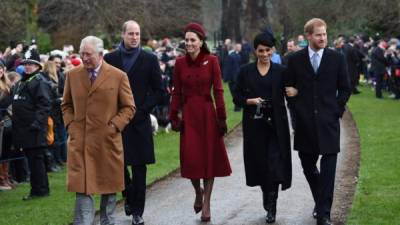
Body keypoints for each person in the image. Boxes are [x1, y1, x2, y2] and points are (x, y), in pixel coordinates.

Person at [62, 36, 135, 225]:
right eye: (82, 53)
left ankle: (107, 222)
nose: (84, 58)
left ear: (101, 54)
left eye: (88, 54)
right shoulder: (72, 75)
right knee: (83, 189)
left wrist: (114, 126)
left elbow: (129, 107)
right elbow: (66, 105)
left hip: (107, 142)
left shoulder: (118, 76)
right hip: (81, 142)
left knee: (109, 189)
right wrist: (71, 126)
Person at [284, 18, 351, 225]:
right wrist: (295, 104)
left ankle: (324, 214)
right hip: (304, 124)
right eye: (318, 34)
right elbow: (288, 89)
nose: (323, 38)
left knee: (329, 170)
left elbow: (346, 89)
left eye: (324, 34)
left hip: (329, 122)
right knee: (308, 165)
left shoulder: (337, 58)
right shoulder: (295, 60)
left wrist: (335, 112)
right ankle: (320, 201)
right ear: (308, 36)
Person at [169, 22, 232, 222]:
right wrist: (174, 115)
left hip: (207, 114)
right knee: (191, 159)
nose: (189, 43)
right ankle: (198, 191)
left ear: (201, 42)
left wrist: (221, 118)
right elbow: (176, 92)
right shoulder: (179, 63)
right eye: (186, 40)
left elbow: (219, 90)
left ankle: (206, 204)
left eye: (192, 40)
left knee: (208, 160)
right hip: (189, 115)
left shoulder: (212, 61)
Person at [104, 20, 163, 225]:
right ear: (123, 35)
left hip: (139, 122)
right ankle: (128, 194)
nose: (135, 37)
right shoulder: (109, 59)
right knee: (118, 164)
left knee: (139, 168)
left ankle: (138, 211)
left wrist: (142, 109)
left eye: (137, 34)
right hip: (117, 122)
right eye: (131, 34)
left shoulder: (149, 59)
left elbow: (159, 92)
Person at [233, 31, 292, 224]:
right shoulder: (245, 71)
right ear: (255, 51)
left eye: (268, 50)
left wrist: (294, 91)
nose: (264, 54)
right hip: (254, 125)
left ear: (273, 50)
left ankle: (272, 206)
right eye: (261, 50)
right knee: (260, 164)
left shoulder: (281, 71)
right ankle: (267, 194)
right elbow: (237, 97)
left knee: (275, 164)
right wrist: (250, 100)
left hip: (277, 125)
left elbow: (291, 92)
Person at [10, 48, 51, 200]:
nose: (27, 66)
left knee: (36, 161)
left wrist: (36, 124)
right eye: (26, 63)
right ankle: (37, 189)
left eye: (31, 64)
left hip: (34, 130)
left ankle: (40, 191)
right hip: (23, 129)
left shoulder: (39, 82)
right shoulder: (23, 81)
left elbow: (44, 106)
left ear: (38, 66)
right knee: (32, 160)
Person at [223, 43, 242, 111]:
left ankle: (238, 107)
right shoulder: (238, 55)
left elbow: (227, 68)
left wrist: (225, 78)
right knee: (236, 92)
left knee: (233, 93)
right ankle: (239, 106)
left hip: (232, 78)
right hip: (237, 77)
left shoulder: (230, 56)